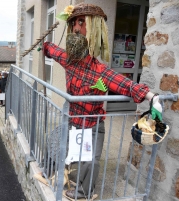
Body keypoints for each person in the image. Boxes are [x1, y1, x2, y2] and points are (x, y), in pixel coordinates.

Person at [43, 3, 162, 199]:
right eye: (74, 23)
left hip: (93, 124)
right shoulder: (68, 60)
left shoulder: (100, 71)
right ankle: (61, 176)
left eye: (81, 23)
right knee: (68, 152)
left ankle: (84, 192)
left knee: (91, 161)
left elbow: (126, 84)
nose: (75, 28)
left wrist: (153, 98)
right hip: (73, 121)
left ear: (94, 29)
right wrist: (45, 46)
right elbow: (52, 50)